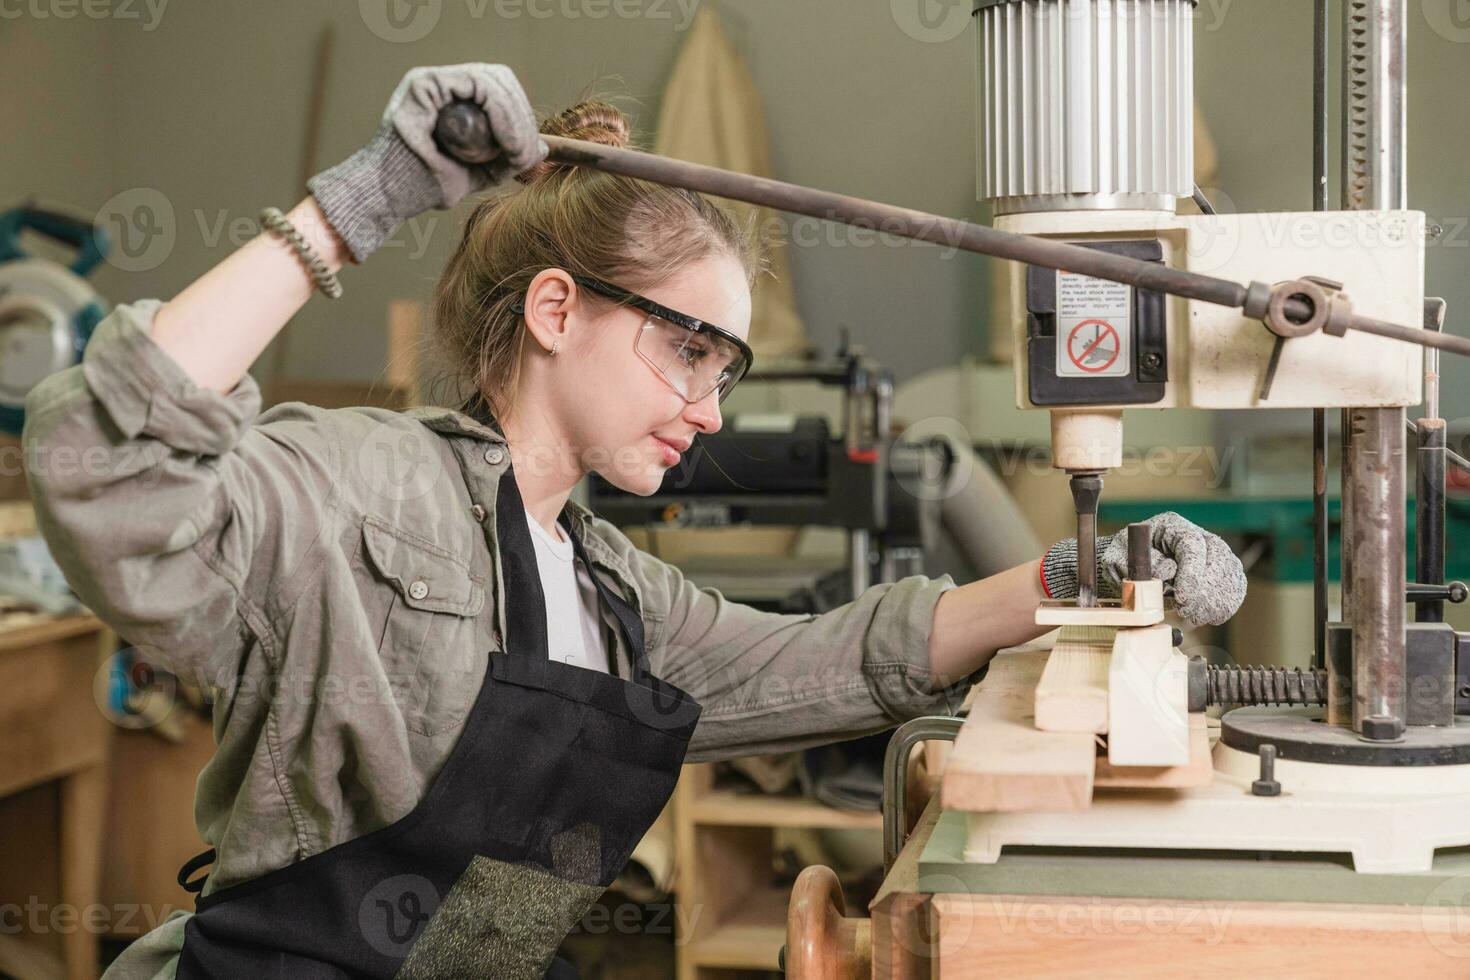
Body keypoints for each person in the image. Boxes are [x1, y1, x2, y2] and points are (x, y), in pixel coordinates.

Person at [22, 64, 1246, 979]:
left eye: (728, 371)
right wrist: (358, 204)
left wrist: (1080, 572)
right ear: (557, 308)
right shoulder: (362, 484)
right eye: (688, 351)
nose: (709, 411)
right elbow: (105, 460)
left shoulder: (614, 589)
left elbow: (816, 657)